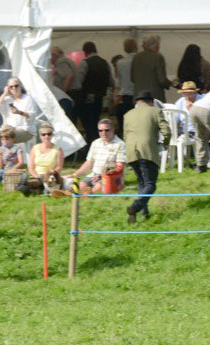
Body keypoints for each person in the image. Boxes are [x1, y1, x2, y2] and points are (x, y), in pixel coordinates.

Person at [124, 90, 171, 223]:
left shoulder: (128, 114)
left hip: (131, 151)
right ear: (151, 102)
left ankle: (144, 214)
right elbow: (166, 131)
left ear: (138, 103)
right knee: (151, 184)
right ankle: (135, 207)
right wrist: (165, 144)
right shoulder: (155, 111)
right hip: (147, 150)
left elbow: (125, 135)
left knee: (141, 182)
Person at [66, 119, 126, 194]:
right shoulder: (95, 143)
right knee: (81, 185)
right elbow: (89, 163)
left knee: (98, 187)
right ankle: (72, 194)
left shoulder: (120, 144)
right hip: (93, 176)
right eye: (100, 130)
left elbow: (119, 166)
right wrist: (75, 175)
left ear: (113, 130)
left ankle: (82, 195)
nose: (103, 133)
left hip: (110, 177)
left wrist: (102, 175)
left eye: (106, 130)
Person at [78, 41, 113, 143]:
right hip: (101, 97)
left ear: (85, 52)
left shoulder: (84, 63)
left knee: (88, 123)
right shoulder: (105, 63)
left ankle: (91, 143)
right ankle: (97, 142)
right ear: (96, 50)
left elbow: (79, 82)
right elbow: (111, 81)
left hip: (87, 97)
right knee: (96, 121)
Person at [16, 122, 64, 196]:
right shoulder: (35, 148)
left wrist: (50, 174)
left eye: (49, 134)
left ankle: (30, 188)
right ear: (40, 136)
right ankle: (30, 187)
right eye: (43, 134)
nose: (46, 136)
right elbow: (31, 168)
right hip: (38, 176)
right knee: (35, 182)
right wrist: (37, 176)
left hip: (51, 176)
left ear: (52, 135)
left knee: (41, 184)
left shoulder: (58, 149)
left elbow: (59, 167)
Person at [0, 76, 37, 143]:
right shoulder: (7, 99)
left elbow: (32, 115)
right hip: (9, 129)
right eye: (11, 87)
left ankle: (10, 152)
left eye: (16, 86)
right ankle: (10, 152)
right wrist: (5, 93)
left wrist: (20, 112)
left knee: (7, 136)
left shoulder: (28, 99)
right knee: (5, 131)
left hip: (25, 129)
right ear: (9, 89)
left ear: (20, 86)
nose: (14, 88)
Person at [131, 35, 172, 103]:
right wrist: (169, 83)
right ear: (155, 45)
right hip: (154, 97)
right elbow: (162, 80)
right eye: (158, 44)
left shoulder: (136, 57)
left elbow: (132, 78)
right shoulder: (158, 57)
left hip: (138, 97)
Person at [51, 46, 82, 124]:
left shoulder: (60, 62)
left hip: (70, 93)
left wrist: (63, 93)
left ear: (54, 55)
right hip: (76, 93)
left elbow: (69, 75)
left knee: (69, 121)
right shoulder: (67, 60)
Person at [115, 38, 138, 138]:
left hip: (124, 97)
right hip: (138, 96)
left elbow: (119, 82)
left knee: (125, 127)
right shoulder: (139, 60)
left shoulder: (120, 63)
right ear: (136, 47)